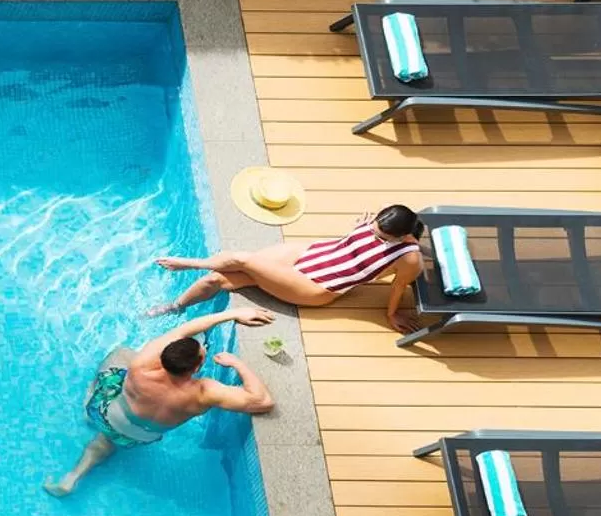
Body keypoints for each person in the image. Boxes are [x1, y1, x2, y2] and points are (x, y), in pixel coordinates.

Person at [44, 307, 276, 498]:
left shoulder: (143, 364)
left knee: (120, 354)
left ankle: (74, 467)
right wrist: (236, 363)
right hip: (140, 437)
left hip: (106, 414)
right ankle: (76, 474)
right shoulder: (204, 392)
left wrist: (231, 313)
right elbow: (262, 401)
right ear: (196, 367)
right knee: (109, 441)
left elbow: (185, 329)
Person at [148, 204, 426, 333]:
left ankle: (186, 263)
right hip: (312, 254)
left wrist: (392, 314)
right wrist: (360, 230)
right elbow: (358, 243)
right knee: (216, 280)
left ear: (401, 237)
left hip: (315, 285)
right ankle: (176, 307)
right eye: (374, 229)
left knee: (244, 260)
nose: (374, 234)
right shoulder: (384, 222)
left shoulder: (409, 258)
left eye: (381, 237)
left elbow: (399, 285)